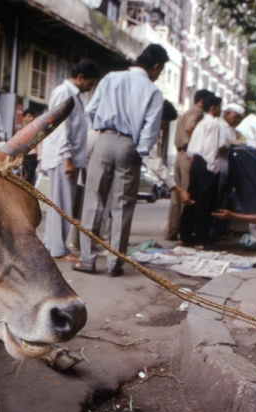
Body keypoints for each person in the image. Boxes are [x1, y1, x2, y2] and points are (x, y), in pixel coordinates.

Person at [72, 44, 169, 277]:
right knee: (122, 206)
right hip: (129, 146)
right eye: (161, 70)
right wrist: (140, 150)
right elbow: (150, 129)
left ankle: (87, 260)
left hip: (104, 140)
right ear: (155, 66)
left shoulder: (111, 78)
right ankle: (114, 264)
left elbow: (92, 110)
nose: (158, 74)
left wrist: (103, 129)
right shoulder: (153, 92)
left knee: (93, 201)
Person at [42, 59, 101, 263]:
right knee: (62, 204)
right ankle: (57, 249)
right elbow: (60, 127)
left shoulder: (73, 95)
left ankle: (53, 245)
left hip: (68, 158)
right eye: (90, 83)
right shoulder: (64, 92)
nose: (89, 87)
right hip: (63, 158)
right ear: (81, 77)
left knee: (60, 203)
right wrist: (67, 157)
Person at [164, 89, 213, 240]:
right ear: (203, 101)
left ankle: (172, 230)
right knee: (187, 194)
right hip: (187, 154)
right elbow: (189, 128)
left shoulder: (187, 111)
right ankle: (185, 232)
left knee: (177, 195)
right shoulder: (198, 112)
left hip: (179, 153)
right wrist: (194, 148)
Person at [179, 95, 224, 247]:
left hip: (196, 162)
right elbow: (211, 148)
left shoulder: (201, 123)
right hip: (206, 164)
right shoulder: (213, 123)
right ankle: (201, 239)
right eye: (219, 107)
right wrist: (213, 167)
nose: (220, 110)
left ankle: (185, 235)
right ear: (213, 107)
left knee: (192, 199)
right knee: (205, 203)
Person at [143, 101, 194, 207]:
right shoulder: (147, 131)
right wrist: (178, 190)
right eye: (164, 123)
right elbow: (154, 162)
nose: (162, 128)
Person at [19, 107, 41, 184]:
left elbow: (39, 144)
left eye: (32, 116)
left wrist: (39, 158)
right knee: (23, 177)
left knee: (28, 177)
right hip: (24, 157)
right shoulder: (21, 131)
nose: (31, 118)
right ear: (24, 118)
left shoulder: (36, 130)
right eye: (29, 116)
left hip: (33, 156)